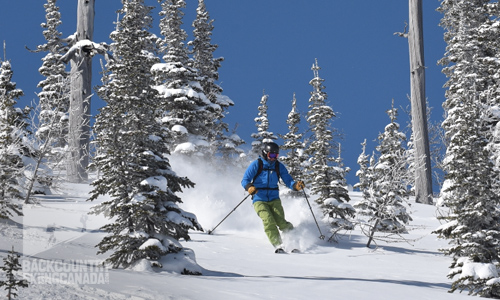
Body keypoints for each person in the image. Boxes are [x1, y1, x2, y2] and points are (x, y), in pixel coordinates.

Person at [241, 142, 305, 253]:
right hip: (259, 198)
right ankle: (278, 245)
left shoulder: (278, 166)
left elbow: (288, 180)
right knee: (268, 221)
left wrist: (296, 186)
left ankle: (294, 243)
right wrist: (249, 187)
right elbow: (245, 180)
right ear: (265, 154)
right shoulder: (257, 164)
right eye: (271, 155)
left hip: (274, 199)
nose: (273, 158)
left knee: (281, 222)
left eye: (276, 156)